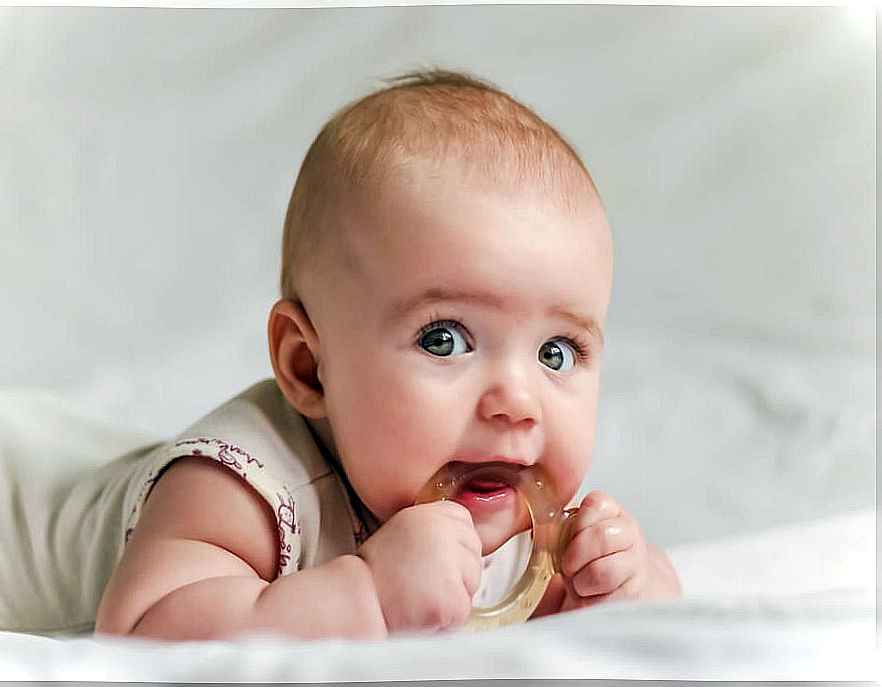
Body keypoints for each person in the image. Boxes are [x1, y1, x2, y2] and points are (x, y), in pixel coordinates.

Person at [93, 68, 681, 641]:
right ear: (307, 366)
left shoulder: (516, 512)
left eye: (555, 353)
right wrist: (370, 592)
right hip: (9, 509)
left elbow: (659, 601)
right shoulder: (242, 488)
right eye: (444, 339)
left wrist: (621, 586)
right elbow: (143, 630)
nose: (518, 403)